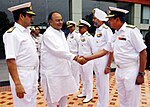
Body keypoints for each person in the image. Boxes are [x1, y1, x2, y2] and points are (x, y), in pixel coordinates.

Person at [80, 7, 147, 107]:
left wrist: (141, 73)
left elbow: (143, 52)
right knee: (123, 99)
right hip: (119, 71)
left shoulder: (131, 31)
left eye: (110, 19)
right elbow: (105, 50)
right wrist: (87, 58)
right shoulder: (115, 34)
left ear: (117, 19)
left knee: (132, 100)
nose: (109, 22)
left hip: (131, 70)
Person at [40, 11, 83, 107]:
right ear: (50, 22)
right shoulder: (48, 34)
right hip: (52, 74)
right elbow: (57, 51)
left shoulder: (61, 33)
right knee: (52, 100)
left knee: (64, 97)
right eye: (57, 20)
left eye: (61, 20)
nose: (60, 22)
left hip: (63, 71)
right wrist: (75, 57)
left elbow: (65, 50)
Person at [3, 2, 39, 107]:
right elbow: (10, 60)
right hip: (22, 75)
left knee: (32, 102)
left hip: (32, 73)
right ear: (21, 16)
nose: (32, 19)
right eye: (29, 16)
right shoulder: (12, 34)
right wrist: (17, 84)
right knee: (22, 103)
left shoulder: (26, 32)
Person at [92, 8, 113, 107]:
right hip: (97, 61)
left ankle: (104, 105)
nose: (93, 20)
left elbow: (111, 49)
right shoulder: (97, 30)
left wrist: (108, 65)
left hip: (103, 61)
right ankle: (100, 103)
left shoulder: (106, 30)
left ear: (100, 19)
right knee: (99, 84)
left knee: (103, 85)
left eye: (95, 18)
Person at [77, 19, 94, 103]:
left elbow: (93, 50)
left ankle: (89, 95)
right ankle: (84, 92)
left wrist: (89, 59)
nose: (79, 29)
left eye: (80, 28)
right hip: (81, 60)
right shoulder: (81, 37)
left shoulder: (89, 37)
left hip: (88, 61)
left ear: (85, 28)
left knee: (88, 78)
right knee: (83, 77)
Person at [66, 21, 81, 89]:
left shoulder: (77, 35)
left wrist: (79, 56)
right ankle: (72, 86)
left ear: (74, 27)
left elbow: (80, 46)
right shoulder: (69, 35)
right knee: (70, 72)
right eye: (69, 27)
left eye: (71, 27)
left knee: (75, 72)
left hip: (75, 55)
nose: (70, 28)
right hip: (69, 56)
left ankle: (76, 86)